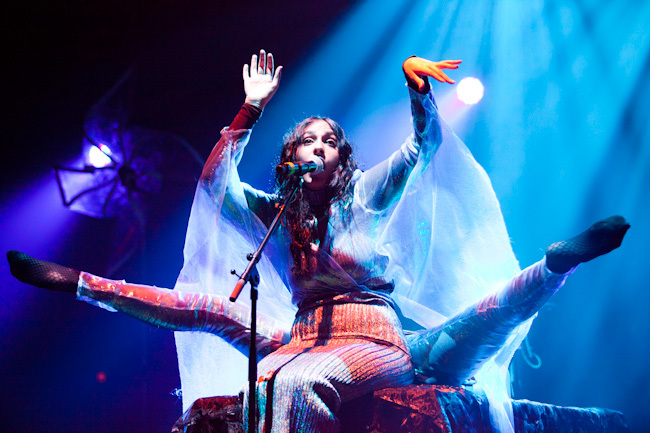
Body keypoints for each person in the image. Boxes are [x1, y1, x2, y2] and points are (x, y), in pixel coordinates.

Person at [7, 50, 629, 433]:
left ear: (342, 156)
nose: (320, 148)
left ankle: (558, 262)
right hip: (299, 336)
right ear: (292, 156)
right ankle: (80, 283)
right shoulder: (276, 212)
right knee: (206, 308)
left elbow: (424, 148)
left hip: (380, 340)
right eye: (309, 140)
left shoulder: (367, 194)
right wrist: (249, 111)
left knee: (489, 313)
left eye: (331, 141)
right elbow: (215, 188)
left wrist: (418, 92)